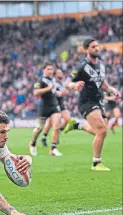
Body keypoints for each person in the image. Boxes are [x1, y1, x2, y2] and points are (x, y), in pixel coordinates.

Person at [63, 38, 121, 171]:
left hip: (99, 100)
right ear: (86, 49)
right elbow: (67, 82)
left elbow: (101, 83)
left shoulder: (101, 64)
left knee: (101, 132)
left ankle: (76, 125)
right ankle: (96, 163)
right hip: (86, 102)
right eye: (93, 46)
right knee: (101, 130)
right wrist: (74, 85)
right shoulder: (81, 66)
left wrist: (112, 90)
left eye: (97, 46)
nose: (97, 48)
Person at [29, 63, 63, 157]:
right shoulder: (40, 80)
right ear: (43, 70)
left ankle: (53, 148)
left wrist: (60, 93)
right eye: (48, 69)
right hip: (44, 106)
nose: (50, 71)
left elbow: (54, 91)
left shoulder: (53, 80)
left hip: (54, 105)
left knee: (56, 127)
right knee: (39, 128)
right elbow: (36, 92)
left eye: (51, 69)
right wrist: (48, 88)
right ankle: (33, 143)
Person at [41, 69, 73, 147]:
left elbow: (67, 92)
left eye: (61, 72)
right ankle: (44, 137)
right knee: (50, 122)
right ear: (56, 75)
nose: (62, 74)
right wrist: (62, 93)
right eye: (59, 72)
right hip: (54, 103)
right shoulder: (53, 82)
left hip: (61, 103)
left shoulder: (62, 82)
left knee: (68, 120)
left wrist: (68, 90)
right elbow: (56, 93)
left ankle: (57, 133)